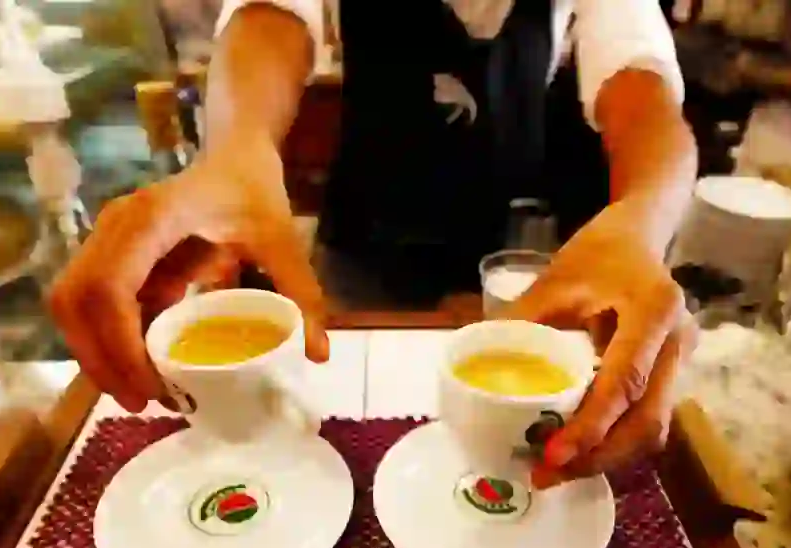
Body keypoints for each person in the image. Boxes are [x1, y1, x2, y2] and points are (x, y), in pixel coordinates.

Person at [49, 0, 699, 488]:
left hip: (497, 265)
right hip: (359, 253)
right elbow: (269, 14)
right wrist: (239, 145)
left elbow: (640, 82)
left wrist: (643, 220)